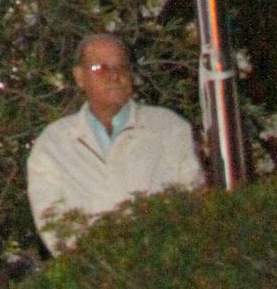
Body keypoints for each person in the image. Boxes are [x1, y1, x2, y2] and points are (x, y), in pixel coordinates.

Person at [25, 33, 202, 252]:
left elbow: (191, 200)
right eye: (101, 68)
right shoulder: (54, 144)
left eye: (122, 67)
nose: (114, 76)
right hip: (92, 267)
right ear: (80, 77)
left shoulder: (168, 128)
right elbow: (52, 222)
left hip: (163, 263)